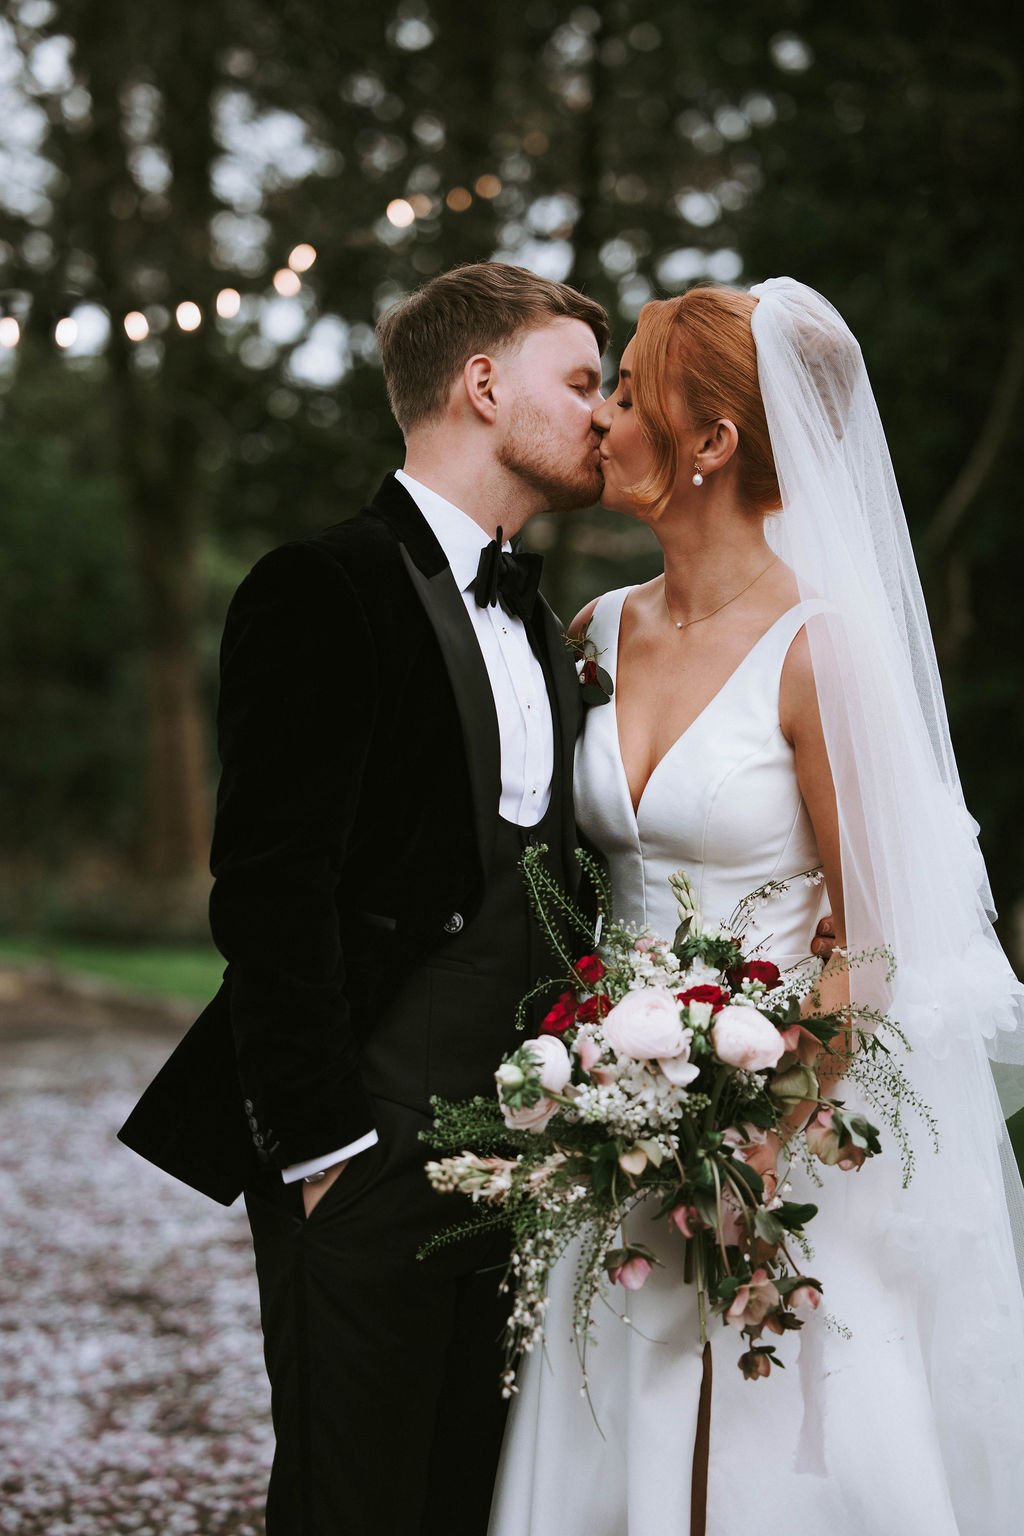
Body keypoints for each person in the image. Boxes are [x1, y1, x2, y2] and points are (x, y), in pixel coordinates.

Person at [489, 280, 1024, 1536]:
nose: (604, 421)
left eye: (628, 394)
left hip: (783, 1142)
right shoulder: (594, 631)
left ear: (712, 442)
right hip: (614, 1127)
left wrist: (761, 1134)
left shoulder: (817, 650)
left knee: (775, 1458)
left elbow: (878, 938)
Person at [118, 262, 612, 1536]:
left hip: (527, 1159)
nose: (603, 417)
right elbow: (271, 888)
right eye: (580, 384)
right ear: (483, 384)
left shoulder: (547, 623)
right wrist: (323, 1146)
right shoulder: (319, 584)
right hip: (365, 1147)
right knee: (353, 1501)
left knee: (474, 1495)